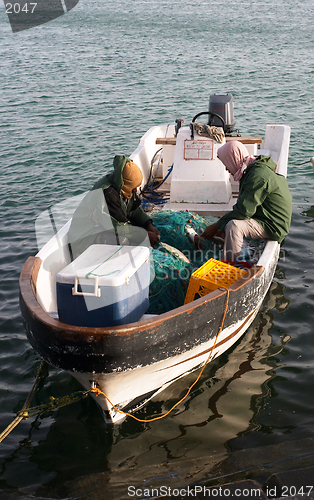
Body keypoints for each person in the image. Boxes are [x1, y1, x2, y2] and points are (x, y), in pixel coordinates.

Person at [197, 141, 292, 262]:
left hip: (273, 226)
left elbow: (243, 211)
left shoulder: (257, 175)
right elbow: (245, 206)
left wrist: (216, 226)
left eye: (226, 163)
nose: (226, 168)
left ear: (233, 159)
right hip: (265, 217)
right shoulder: (253, 170)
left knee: (234, 226)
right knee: (226, 223)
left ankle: (228, 265)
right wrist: (221, 227)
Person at [68, 155, 160, 259]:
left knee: (136, 231)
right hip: (85, 238)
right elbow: (119, 228)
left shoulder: (123, 186)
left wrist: (148, 225)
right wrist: (145, 235)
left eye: (136, 187)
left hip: (104, 228)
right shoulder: (107, 194)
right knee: (122, 240)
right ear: (124, 184)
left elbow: (133, 209)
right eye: (133, 188)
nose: (135, 191)